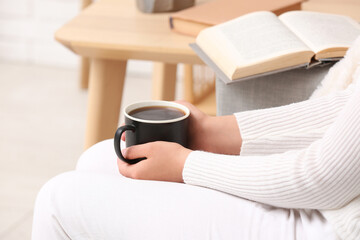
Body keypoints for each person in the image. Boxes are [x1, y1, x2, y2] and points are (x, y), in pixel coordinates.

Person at [32, 37, 360, 240]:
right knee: (97, 160)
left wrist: (186, 165)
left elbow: (322, 178)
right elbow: (347, 108)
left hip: (335, 226)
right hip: (335, 201)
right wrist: (212, 132)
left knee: (57, 200)